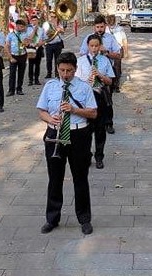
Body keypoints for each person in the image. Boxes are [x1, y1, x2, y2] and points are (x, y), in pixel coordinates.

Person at [37, 52, 98, 235]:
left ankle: (84, 219)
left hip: (78, 134)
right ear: (57, 69)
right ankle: (52, 219)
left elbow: (93, 113)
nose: (65, 74)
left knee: (80, 178)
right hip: (54, 134)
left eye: (69, 71)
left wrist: (73, 109)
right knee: (54, 179)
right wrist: (51, 119)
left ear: (75, 69)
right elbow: (41, 110)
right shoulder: (50, 86)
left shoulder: (84, 88)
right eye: (62, 70)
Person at [76, 35, 115, 169]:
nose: (94, 48)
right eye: (91, 46)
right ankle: (86, 156)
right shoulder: (80, 61)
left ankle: (99, 156)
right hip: (85, 98)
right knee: (86, 129)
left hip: (99, 96)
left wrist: (100, 75)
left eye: (96, 46)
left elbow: (110, 81)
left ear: (100, 46)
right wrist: (87, 81)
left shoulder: (105, 60)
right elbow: (75, 82)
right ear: (88, 46)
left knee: (100, 129)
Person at [79, 15, 122, 133]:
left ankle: (108, 123)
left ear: (105, 26)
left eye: (101, 27)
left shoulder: (110, 38)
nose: (99, 29)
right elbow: (82, 53)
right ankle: (91, 120)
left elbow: (118, 55)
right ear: (94, 27)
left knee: (107, 99)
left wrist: (105, 52)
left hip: (106, 71)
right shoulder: (88, 38)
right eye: (97, 27)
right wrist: (93, 50)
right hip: (91, 71)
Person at [6, 18, 29, 97]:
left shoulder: (25, 34)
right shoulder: (11, 35)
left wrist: (26, 43)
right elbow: (7, 46)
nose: (20, 28)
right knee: (12, 73)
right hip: (13, 55)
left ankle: (19, 88)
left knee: (21, 72)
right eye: (19, 26)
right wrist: (10, 57)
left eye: (22, 26)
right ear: (16, 26)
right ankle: (11, 90)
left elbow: (27, 43)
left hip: (22, 55)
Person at [42, 12, 65, 79]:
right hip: (49, 44)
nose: (53, 18)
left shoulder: (59, 24)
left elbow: (63, 32)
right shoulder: (46, 24)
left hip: (57, 44)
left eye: (54, 17)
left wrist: (56, 26)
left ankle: (57, 73)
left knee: (57, 59)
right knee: (49, 60)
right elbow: (45, 33)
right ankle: (49, 73)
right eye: (51, 16)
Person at [107, 14, 126, 91]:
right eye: (110, 20)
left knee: (117, 67)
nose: (111, 21)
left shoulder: (120, 28)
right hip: (108, 50)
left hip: (118, 49)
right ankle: (111, 83)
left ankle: (116, 85)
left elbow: (124, 40)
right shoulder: (105, 29)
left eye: (112, 19)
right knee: (109, 67)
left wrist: (126, 51)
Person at [26, 15, 44, 86]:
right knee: (31, 64)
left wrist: (40, 44)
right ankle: (30, 80)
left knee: (37, 64)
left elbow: (44, 39)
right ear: (30, 21)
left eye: (35, 20)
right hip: (31, 47)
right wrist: (34, 30)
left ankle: (36, 79)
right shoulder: (28, 29)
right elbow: (28, 38)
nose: (34, 22)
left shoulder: (41, 29)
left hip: (38, 47)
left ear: (38, 21)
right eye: (33, 20)